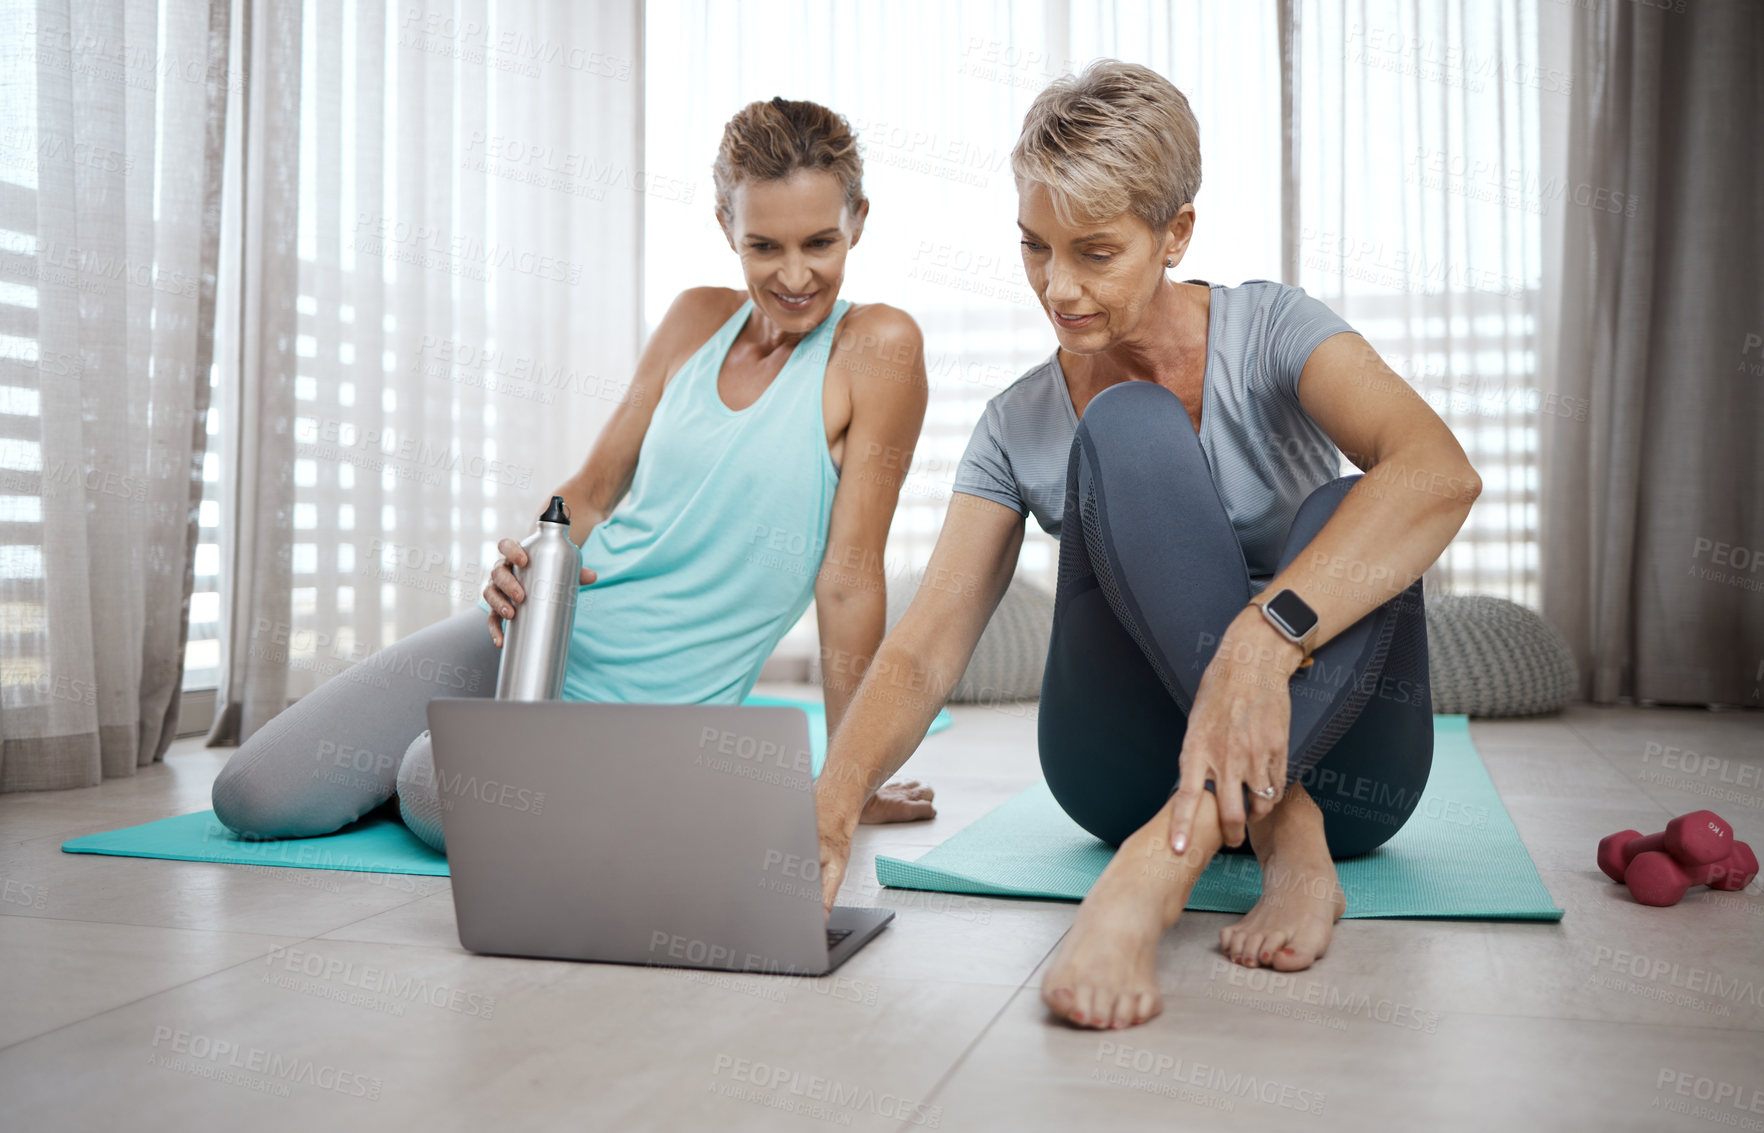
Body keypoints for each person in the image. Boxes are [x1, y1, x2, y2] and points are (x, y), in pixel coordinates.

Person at [812, 61, 1479, 1031]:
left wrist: (1263, 640)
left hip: (1352, 769)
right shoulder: (1015, 424)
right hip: (1127, 772)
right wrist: (830, 803)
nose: (1058, 287)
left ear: (1176, 234)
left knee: (1354, 499)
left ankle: (1150, 874)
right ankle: (1287, 832)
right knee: (1125, 424)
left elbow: (1439, 473)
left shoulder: (1274, 331)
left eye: (1094, 251)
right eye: (1034, 248)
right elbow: (927, 643)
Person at [212, 96, 937, 851]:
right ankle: (481, 767)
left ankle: (507, 771)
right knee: (252, 794)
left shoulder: (877, 346)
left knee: (433, 780)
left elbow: (850, 576)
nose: (794, 275)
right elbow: (591, 492)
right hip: (540, 632)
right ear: (727, 227)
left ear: (858, 219)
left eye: (820, 242)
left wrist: (852, 779)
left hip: (643, 710)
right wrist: (526, 558)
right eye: (764, 246)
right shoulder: (695, 319)